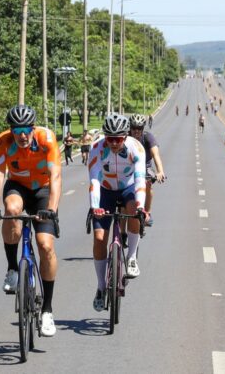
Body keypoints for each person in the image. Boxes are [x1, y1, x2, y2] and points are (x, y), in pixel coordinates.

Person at [0, 105, 62, 337]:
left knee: (46, 246)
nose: (22, 135)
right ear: (11, 130)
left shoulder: (46, 138)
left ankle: (47, 310)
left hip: (42, 189)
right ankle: (12, 269)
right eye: (17, 129)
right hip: (17, 186)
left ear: (33, 128)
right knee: (11, 209)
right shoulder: (3, 142)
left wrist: (51, 209)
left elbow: (56, 175)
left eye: (26, 129)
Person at [88, 113, 147, 311]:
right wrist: (95, 206)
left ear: (126, 136)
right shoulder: (97, 148)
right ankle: (100, 287)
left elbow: (140, 179)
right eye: (110, 138)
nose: (113, 143)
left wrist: (140, 206)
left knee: (133, 211)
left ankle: (131, 257)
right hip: (105, 190)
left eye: (118, 139)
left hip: (128, 188)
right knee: (98, 237)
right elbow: (94, 180)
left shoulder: (135, 148)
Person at [129, 114, 166, 226]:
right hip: (128, 167)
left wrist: (160, 171)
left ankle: (148, 212)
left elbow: (156, 155)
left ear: (143, 129)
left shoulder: (148, 137)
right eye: (133, 128)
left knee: (148, 183)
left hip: (145, 167)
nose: (136, 131)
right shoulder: (125, 138)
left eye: (139, 128)